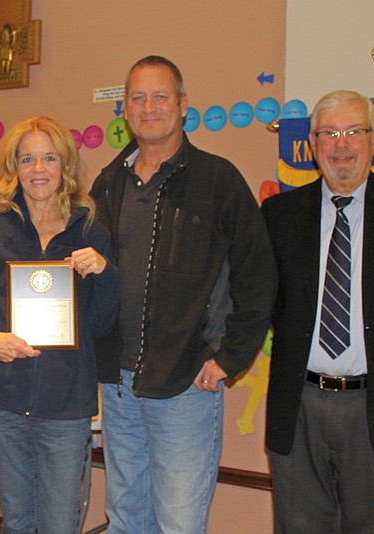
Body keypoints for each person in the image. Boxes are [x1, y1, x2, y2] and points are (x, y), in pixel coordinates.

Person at [90, 55, 277, 533]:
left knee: (178, 521)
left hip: (187, 384)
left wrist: (228, 358)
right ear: (125, 111)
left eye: (160, 97)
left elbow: (259, 276)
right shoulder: (107, 184)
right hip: (117, 385)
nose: (148, 107)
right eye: (137, 98)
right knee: (126, 516)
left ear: (183, 105)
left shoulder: (218, 180)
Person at [262, 90, 374, 533]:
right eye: (329, 133)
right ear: (312, 144)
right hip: (299, 406)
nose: (341, 144)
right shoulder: (280, 215)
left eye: (354, 132)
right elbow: (268, 302)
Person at [0, 115, 120, 534]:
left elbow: (102, 324)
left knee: (59, 524)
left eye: (49, 158)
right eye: (27, 159)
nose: (38, 169)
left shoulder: (91, 233)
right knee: (17, 521)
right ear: (13, 168)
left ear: (65, 165)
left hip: (66, 407)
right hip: (2, 401)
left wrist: (103, 272)